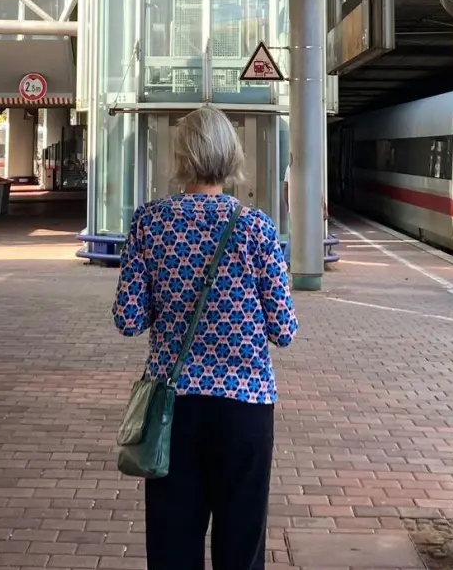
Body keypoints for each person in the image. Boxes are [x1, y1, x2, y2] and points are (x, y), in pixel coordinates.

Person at [113, 106, 297, 570]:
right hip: (245, 407)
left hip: (173, 409)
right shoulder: (256, 228)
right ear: (231, 156)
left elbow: (129, 320)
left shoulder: (149, 224)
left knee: (173, 545)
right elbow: (283, 329)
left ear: (180, 156)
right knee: (241, 544)